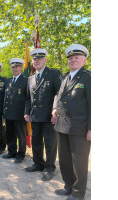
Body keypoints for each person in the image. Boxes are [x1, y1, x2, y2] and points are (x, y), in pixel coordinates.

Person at [52, 44, 91, 200]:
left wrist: (92, 128)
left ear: (84, 60)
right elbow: (59, 96)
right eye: (70, 58)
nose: (73, 60)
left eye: (76, 58)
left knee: (79, 162)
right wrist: (55, 109)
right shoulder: (65, 77)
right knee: (64, 160)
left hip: (79, 128)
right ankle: (68, 186)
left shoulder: (88, 77)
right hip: (62, 126)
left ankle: (78, 193)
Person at [24, 48, 62, 181]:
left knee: (50, 143)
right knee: (36, 142)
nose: (36, 60)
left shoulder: (53, 74)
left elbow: (59, 93)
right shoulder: (31, 78)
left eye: (39, 58)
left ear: (45, 59)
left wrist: (55, 110)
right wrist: (26, 112)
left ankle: (50, 168)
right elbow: (28, 98)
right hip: (35, 116)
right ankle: (38, 163)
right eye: (34, 59)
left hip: (49, 116)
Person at [2, 58, 29, 164]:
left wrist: (26, 112)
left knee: (21, 135)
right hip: (8, 113)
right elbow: (6, 97)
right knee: (9, 134)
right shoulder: (8, 81)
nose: (15, 68)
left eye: (17, 66)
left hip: (19, 113)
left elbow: (28, 98)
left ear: (21, 68)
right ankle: (11, 152)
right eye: (13, 67)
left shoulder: (26, 81)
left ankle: (21, 154)